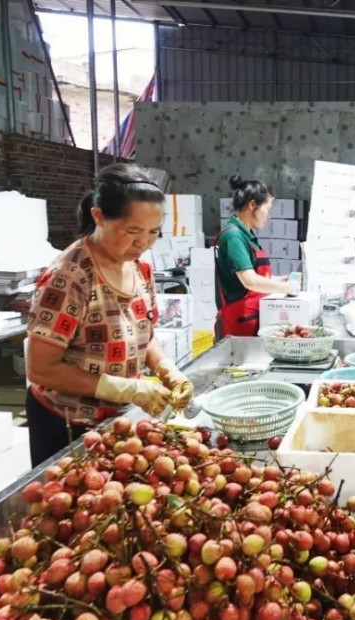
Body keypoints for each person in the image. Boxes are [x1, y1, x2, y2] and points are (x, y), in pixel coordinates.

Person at [26, 164, 194, 466]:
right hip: (68, 426)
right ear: (99, 216)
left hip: (120, 419)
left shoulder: (140, 268)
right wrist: (125, 388)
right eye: (132, 231)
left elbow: (143, 333)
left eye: (153, 232)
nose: (143, 242)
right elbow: (41, 368)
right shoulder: (70, 277)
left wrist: (166, 368)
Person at [215, 175, 299, 337]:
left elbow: (255, 274)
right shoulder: (233, 237)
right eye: (267, 208)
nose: (269, 215)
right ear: (252, 205)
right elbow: (250, 281)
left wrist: (279, 280)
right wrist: (286, 288)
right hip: (240, 322)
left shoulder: (246, 235)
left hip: (252, 318)